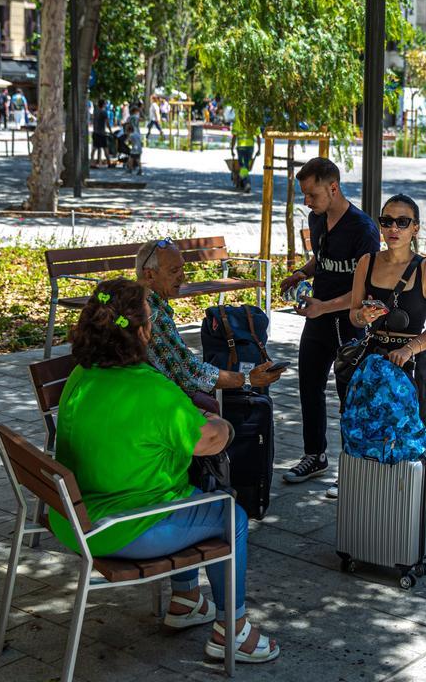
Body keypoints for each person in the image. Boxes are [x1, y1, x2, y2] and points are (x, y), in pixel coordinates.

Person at [48, 279, 279, 663]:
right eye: (151, 321)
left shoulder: (82, 375)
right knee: (230, 514)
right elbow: (211, 441)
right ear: (141, 332)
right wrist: (221, 424)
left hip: (74, 516)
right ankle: (233, 631)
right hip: (122, 526)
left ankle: (187, 601)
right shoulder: (152, 390)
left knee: (186, 487)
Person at [279, 158, 380, 486]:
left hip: (350, 323)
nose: (307, 202)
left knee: (350, 396)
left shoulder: (364, 229)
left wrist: (325, 307)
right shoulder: (317, 218)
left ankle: (352, 468)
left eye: (311, 195)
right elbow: (320, 258)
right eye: (304, 196)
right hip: (318, 319)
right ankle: (315, 455)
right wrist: (300, 274)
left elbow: (363, 291)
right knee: (309, 385)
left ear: (333, 188)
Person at [345, 194, 426, 486]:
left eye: (402, 222)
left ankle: (410, 506)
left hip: (412, 366)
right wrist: (362, 318)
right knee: (365, 434)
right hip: (373, 363)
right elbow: (353, 314)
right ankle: (364, 495)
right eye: (387, 221)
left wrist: (409, 348)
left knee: (415, 443)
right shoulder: (366, 263)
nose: (394, 228)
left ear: (415, 228)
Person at [136, 238, 283, 409]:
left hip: (141, 393)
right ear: (149, 274)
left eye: (182, 268)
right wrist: (248, 378)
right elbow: (191, 372)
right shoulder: (152, 315)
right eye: (174, 270)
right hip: (147, 402)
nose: (182, 276)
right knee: (218, 424)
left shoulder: (134, 300)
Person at [125, 104, 144, 174]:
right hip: (137, 134)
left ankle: (130, 168)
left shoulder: (129, 118)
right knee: (135, 153)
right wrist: (141, 111)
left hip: (132, 134)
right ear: (136, 111)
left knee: (133, 153)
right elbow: (144, 119)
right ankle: (137, 168)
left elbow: (127, 126)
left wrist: (127, 135)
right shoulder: (137, 117)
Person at [91, 98, 110, 167]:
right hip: (101, 133)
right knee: (105, 147)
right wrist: (110, 131)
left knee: (94, 148)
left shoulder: (95, 111)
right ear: (103, 104)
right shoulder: (104, 112)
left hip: (95, 131)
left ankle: (92, 163)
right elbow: (107, 122)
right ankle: (109, 163)